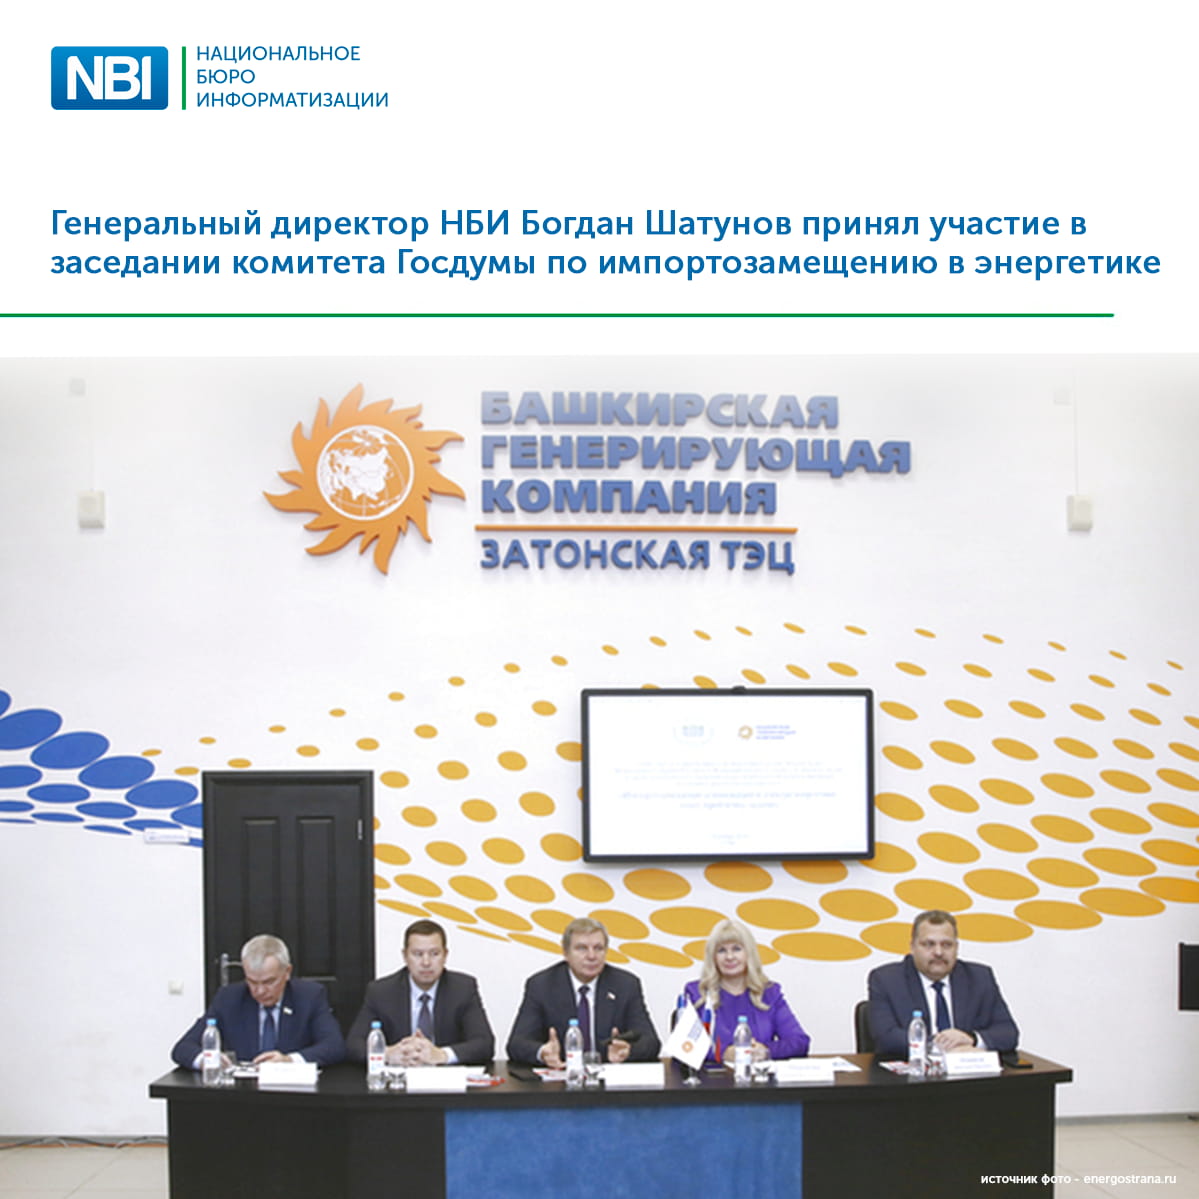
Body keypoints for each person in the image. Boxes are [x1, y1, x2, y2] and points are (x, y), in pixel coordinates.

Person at [171, 933, 346, 1068]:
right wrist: (206, 1060)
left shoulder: (309, 996)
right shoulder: (229, 998)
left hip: (294, 1094)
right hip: (243, 1094)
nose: (260, 991)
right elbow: (183, 1048)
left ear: (287, 972)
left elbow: (334, 1046)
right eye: (252, 982)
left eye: (269, 982)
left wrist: (289, 1060)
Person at [506, 917, 661, 1066]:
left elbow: (651, 1042)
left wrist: (628, 1051)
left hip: (607, 1077)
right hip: (562, 1077)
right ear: (566, 953)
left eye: (598, 948)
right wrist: (542, 1052)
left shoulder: (625, 985)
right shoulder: (542, 985)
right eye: (582, 948)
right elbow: (516, 1044)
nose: (591, 956)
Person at [867, 909, 1019, 1057]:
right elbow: (886, 1039)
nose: (938, 952)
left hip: (968, 1070)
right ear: (912, 947)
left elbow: (1008, 1033)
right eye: (929, 944)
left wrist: (971, 1039)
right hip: (914, 1071)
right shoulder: (887, 980)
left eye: (947, 945)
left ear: (956, 947)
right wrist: (940, 1044)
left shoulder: (979, 978)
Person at [345, 918, 494, 1065]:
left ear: (445, 955)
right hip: (399, 1077)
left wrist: (442, 1055)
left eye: (434, 953)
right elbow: (353, 1045)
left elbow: (484, 1043)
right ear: (405, 956)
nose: (426, 962)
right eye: (417, 954)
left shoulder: (462, 989)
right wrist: (388, 1054)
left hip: (446, 1078)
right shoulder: (381, 992)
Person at [683, 918, 810, 1063]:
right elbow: (684, 1045)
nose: (729, 957)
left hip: (758, 1075)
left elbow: (800, 1042)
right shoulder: (696, 993)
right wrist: (724, 1053)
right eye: (721, 950)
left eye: (737, 949)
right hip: (714, 1077)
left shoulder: (770, 993)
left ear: (749, 954)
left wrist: (765, 1050)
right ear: (713, 957)